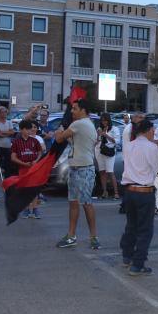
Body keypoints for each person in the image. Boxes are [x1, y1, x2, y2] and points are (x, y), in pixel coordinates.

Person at [54, 99, 99, 250]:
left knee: (84, 203)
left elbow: (60, 138)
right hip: (79, 167)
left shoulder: (78, 124)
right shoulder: (89, 124)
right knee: (76, 202)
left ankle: (86, 237)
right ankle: (81, 236)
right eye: (71, 109)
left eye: (75, 108)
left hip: (83, 169)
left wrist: (59, 130)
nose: (72, 111)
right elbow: (75, 141)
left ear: (84, 110)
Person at [118, 119, 158, 275]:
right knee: (145, 229)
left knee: (131, 225)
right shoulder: (151, 147)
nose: (154, 133)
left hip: (129, 191)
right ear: (148, 130)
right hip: (144, 191)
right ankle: (138, 263)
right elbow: (156, 169)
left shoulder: (129, 145)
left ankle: (127, 256)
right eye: (153, 131)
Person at [11, 120, 44, 219]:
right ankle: (26, 209)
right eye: (27, 129)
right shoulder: (17, 142)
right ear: (21, 130)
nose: (29, 131)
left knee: (33, 189)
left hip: (34, 169)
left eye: (30, 129)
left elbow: (40, 152)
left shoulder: (34, 141)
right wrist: (24, 163)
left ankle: (35, 209)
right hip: (23, 168)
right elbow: (13, 157)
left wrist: (36, 161)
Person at [96, 113, 119, 200]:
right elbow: (97, 140)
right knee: (102, 172)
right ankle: (104, 192)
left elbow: (116, 141)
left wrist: (105, 135)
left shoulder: (114, 129)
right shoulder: (99, 128)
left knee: (110, 171)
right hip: (99, 151)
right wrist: (99, 135)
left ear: (108, 120)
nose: (104, 122)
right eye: (102, 120)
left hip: (109, 151)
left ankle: (116, 192)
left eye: (105, 120)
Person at [0, 106, 15, 178]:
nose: (4, 113)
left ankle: (7, 178)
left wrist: (3, 133)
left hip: (8, 146)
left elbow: (12, 132)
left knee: (8, 163)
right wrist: (8, 133)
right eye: (3, 112)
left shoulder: (9, 122)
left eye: (5, 112)